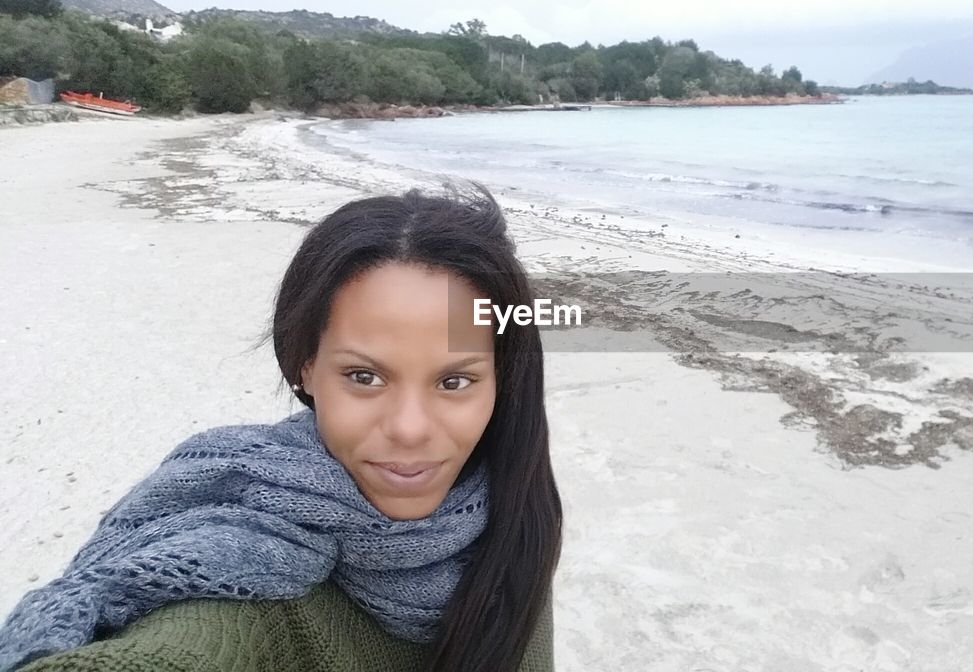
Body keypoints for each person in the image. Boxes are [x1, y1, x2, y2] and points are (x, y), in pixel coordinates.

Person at [0, 187, 562, 672]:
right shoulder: (246, 558)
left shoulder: (508, 512)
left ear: (501, 380)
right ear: (305, 367)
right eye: (364, 376)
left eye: (454, 382)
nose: (410, 429)